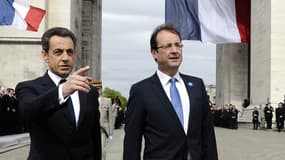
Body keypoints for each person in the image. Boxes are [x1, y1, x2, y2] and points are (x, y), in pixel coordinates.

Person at [123, 24, 218, 160]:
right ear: (154, 53)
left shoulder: (197, 86)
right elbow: (132, 142)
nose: (175, 51)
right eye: (168, 46)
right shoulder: (141, 91)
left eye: (178, 45)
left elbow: (208, 135)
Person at [15, 27, 101, 160]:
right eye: (58, 52)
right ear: (45, 55)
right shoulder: (29, 88)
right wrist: (62, 91)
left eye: (70, 52)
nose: (65, 58)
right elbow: (27, 111)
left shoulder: (89, 92)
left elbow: (94, 138)